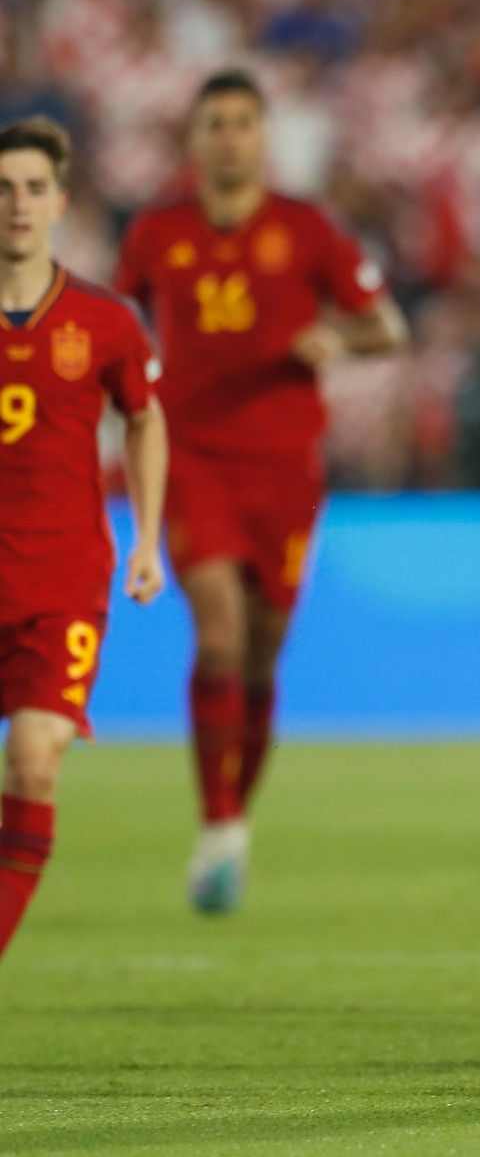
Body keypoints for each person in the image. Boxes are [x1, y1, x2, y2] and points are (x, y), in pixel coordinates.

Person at [114, 70, 407, 913]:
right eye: (215, 122)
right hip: (192, 457)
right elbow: (115, 316)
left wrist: (337, 340)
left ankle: (234, 818)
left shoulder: (305, 227)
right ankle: (216, 821)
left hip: (285, 469)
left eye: (244, 122)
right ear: (194, 138)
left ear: (263, 136)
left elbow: (387, 326)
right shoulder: (158, 230)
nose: (230, 136)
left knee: (261, 655)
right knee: (218, 638)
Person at [0, 117, 167, 962]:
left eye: (33, 187)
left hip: (62, 576)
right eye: (3, 188)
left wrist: (146, 539)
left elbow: (144, 420)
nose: (17, 204)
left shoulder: (104, 319)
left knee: (34, 759)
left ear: (59, 201)